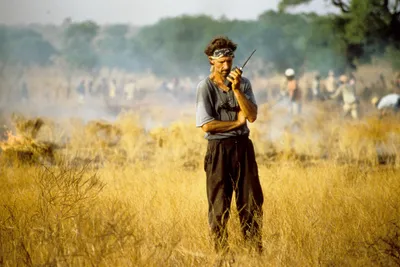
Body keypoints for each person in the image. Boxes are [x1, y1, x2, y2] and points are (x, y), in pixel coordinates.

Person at [195, 36, 264, 254]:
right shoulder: (205, 87)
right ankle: (222, 255)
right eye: (221, 62)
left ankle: (254, 253)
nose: (226, 67)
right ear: (211, 61)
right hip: (218, 150)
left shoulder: (243, 83)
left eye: (229, 61)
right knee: (219, 206)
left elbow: (251, 116)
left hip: (243, 147)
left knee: (251, 203)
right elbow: (207, 126)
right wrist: (235, 122)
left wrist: (236, 90)